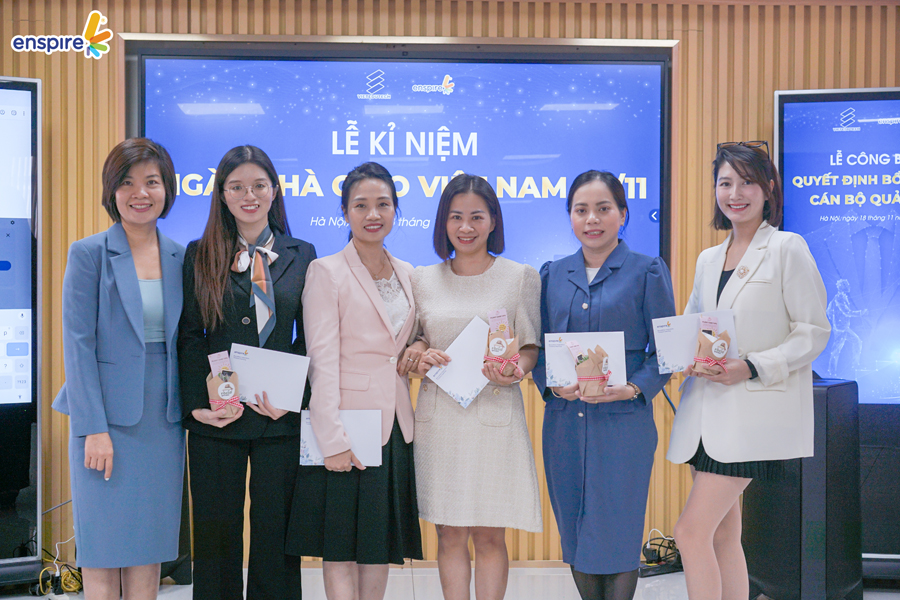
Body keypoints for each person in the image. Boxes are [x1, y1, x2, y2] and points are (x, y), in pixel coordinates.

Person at [667, 142, 830, 600]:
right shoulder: (707, 259)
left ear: (768, 189)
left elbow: (813, 332)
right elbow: (695, 323)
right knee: (722, 535)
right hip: (706, 416)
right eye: (725, 183)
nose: (735, 193)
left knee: (689, 532)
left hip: (751, 416)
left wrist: (753, 366)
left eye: (747, 182)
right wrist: (680, 353)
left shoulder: (786, 248)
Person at [177, 145, 316, 600]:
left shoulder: (303, 253)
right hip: (220, 417)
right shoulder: (199, 253)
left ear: (274, 190)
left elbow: (309, 337)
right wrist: (198, 407)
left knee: (276, 535)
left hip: (278, 417)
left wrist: (293, 399)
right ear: (222, 194)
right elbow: (190, 336)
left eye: (258, 185)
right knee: (215, 535)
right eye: (236, 187)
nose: (248, 195)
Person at [532, 170, 676, 600]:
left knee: (617, 531)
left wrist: (634, 388)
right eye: (581, 210)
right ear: (570, 217)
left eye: (603, 208)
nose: (591, 219)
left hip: (623, 424)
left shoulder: (647, 271)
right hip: (564, 424)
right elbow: (537, 347)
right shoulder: (552, 274)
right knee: (575, 528)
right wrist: (551, 385)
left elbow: (666, 353)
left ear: (623, 214)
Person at [53, 138, 185, 600]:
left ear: (167, 189)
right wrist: (93, 428)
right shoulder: (88, 253)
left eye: (152, 181)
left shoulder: (181, 256)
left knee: (148, 547)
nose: (140, 193)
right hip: (104, 421)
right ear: (112, 191)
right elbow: (78, 345)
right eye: (127, 182)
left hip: (163, 423)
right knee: (104, 548)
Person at [286, 162, 424, 600]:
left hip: (394, 425)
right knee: (341, 546)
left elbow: (412, 337)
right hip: (346, 425)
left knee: (377, 545)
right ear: (344, 212)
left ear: (396, 209)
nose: (373, 214)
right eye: (361, 205)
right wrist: (332, 438)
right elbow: (321, 359)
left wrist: (420, 346)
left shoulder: (409, 272)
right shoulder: (326, 271)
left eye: (383, 204)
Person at [413, 174, 542, 600]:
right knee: (449, 533)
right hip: (440, 419)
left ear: (493, 221)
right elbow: (416, 339)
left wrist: (517, 369)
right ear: (443, 222)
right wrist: (420, 353)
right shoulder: (422, 278)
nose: (465, 227)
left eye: (476, 217)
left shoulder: (519, 277)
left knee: (489, 534)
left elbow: (529, 346)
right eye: (455, 217)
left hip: (494, 413)